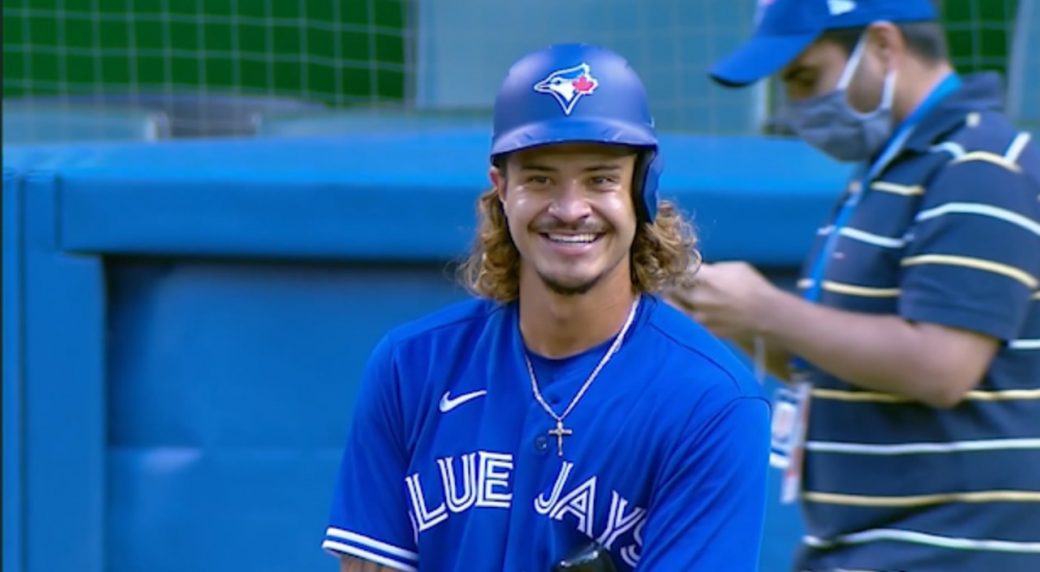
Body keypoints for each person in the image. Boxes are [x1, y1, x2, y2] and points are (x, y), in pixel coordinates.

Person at [321, 43, 771, 571]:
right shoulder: (410, 366)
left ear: (641, 189)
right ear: (501, 189)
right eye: (539, 178)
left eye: (600, 178)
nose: (570, 209)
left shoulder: (712, 403)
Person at [668, 1, 1040, 571]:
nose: (796, 109)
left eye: (805, 77)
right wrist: (730, 317)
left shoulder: (979, 165)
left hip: (951, 554)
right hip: (867, 548)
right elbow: (843, 364)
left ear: (885, 46)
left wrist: (767, 311)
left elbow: (942, 366)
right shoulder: (888, 172)